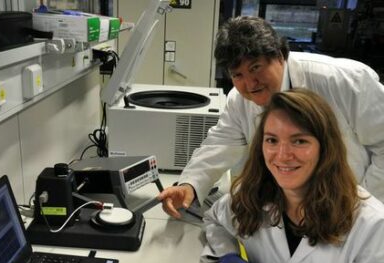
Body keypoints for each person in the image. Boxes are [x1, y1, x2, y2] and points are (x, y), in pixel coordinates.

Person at [158, 16, 384, 218]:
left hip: (352, 203)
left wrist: (360, 208)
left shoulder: (343, 81)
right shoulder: (239, 100)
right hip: (290, 209)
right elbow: (220, 144)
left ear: (279, 56)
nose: (250, 83)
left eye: (256, 68)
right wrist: (190, 185)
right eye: (238, 75)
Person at [202, 88, 384, 263]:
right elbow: (213, 219)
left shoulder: (372, 226)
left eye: (299, 141)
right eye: (272, 140)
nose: (282, 154)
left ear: (326, 148)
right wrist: (229, 257)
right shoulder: (254, 197)